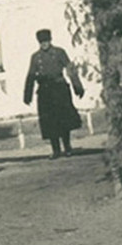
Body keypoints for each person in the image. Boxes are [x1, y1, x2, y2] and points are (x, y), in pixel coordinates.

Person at [23, 29, 84, 159]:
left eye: (46, 41)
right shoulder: (35, 57)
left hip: (59, 89)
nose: (44, 44)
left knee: (63, 119)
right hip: (45, 91)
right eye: (42, 42)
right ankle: (55, 150)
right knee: (49, 121)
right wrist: (27, 95)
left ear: (50, 40)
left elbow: (70, 69)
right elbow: (31, 76)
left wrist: (77, 87)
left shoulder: (59, 52)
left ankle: (67, 147)